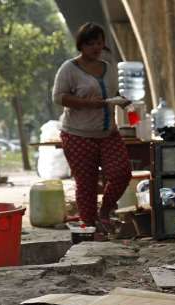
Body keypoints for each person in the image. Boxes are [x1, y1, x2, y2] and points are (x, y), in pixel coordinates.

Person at [52, 22, 131, 236]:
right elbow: (59, 97)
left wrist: (120, 100)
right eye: (90, 43)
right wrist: (87, 103)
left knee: (121, 172)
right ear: (81, 45)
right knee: (86, 184)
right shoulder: (69, 68)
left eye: (99, 42)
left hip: (108, 133)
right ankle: (90, 229)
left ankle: (105, 210)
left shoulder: (108, 67)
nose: (95, 47)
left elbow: (111, 94)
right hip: (78, 134)